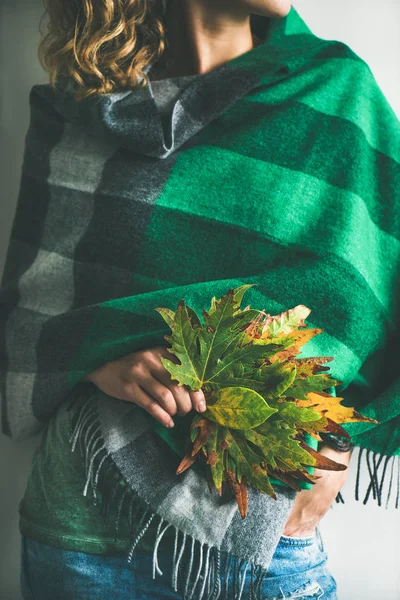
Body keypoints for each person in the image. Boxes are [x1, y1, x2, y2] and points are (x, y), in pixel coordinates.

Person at [1, 1, 399, 599]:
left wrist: (338, 451)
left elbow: (377, 295)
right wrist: (101, 359)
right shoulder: (77, 110)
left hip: (263, 533)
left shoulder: (335, 92)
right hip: (82, 528)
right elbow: (29, 319)